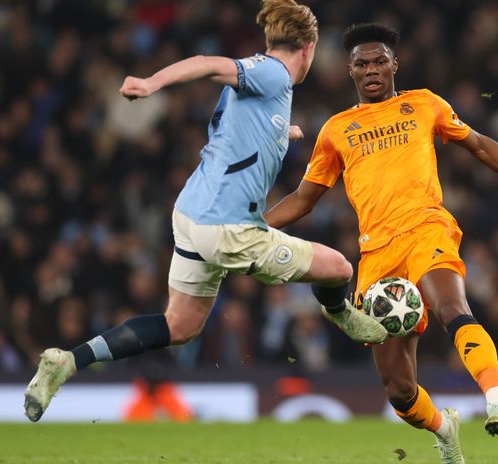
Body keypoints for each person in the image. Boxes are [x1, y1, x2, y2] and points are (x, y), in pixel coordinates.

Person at [23, 0, 387, 423]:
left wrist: (281, 132)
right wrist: (151, 83)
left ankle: (67, 362)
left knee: (180, 325)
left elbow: (228, 132)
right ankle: (341, 313)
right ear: (308, 47)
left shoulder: (262, 96)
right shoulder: (271, 73)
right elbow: (207, 62)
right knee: (340, 268)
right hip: (227, 228)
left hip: (191, 214)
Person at [265, 23, 498, 463]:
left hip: (426, 228)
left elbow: (481, 146)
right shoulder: (336, 130)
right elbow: (304, 199)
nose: (372, 69)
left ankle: (497, 401)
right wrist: (253, 227)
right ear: (350, 72)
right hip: (376, 254)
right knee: (399, 390)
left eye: (379, 61)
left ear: (395, 64)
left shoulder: (424, 104)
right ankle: (443, 429)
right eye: (362, 63)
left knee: (454, 308)